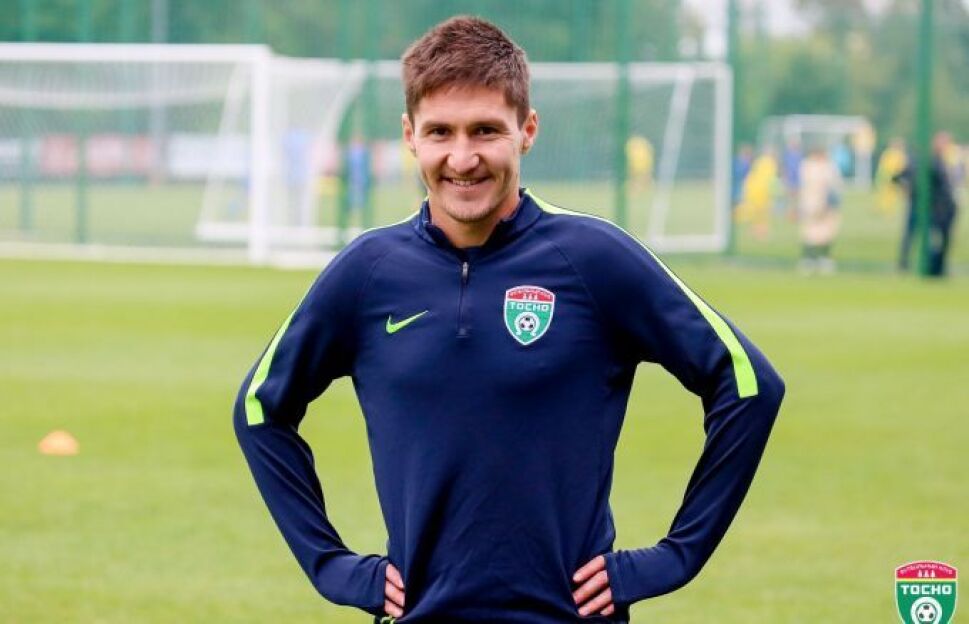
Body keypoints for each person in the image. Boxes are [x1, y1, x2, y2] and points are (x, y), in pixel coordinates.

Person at [234, 16, 785, 623]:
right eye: (440, 131)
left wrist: (675, 556)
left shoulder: (592, 259)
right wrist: (331, 565)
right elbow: (260, 408)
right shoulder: (369, 272)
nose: (462, 157)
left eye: (485, 130)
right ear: (410, 136)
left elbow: (748, 384)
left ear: (527, 131)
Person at [894, 131, 959, 276]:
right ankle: (910, 263)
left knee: (923, 235)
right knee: (916, 234)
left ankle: (929, 265)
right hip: (925, 206)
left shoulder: (934, 160)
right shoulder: (928, 161)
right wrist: (908, 188)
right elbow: (898, 177)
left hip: (931, 206)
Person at [797, 146, 843, 275]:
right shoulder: (807, 166)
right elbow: (803, 187)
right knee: (810, 233)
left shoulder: (829, 167)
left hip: (826, 206)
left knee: (826, 233)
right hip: (810, 204)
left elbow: (835, 187)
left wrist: (829, 203)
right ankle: (809, 259)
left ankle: (824, 258)